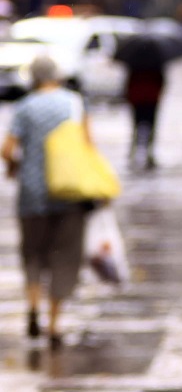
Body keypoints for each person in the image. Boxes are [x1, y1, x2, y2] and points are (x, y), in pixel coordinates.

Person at [1, 56, 90, 350]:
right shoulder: (73, 103)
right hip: (68, 191)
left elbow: (7, 149)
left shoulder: (25, 107)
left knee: (33, 254)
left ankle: (32, 306)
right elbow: (87, 146)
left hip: (32, 193)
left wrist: (15, 166)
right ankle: (53, 323)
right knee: (65, 256)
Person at [125, 67, 165, 170]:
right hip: (151, 98)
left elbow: (129, 83)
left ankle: (134, 151)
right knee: (151, 125)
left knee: (136, 125)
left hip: (137, 98)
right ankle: (149, 153)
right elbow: (161, 81)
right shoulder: (156, 65)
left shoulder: (134, 66)